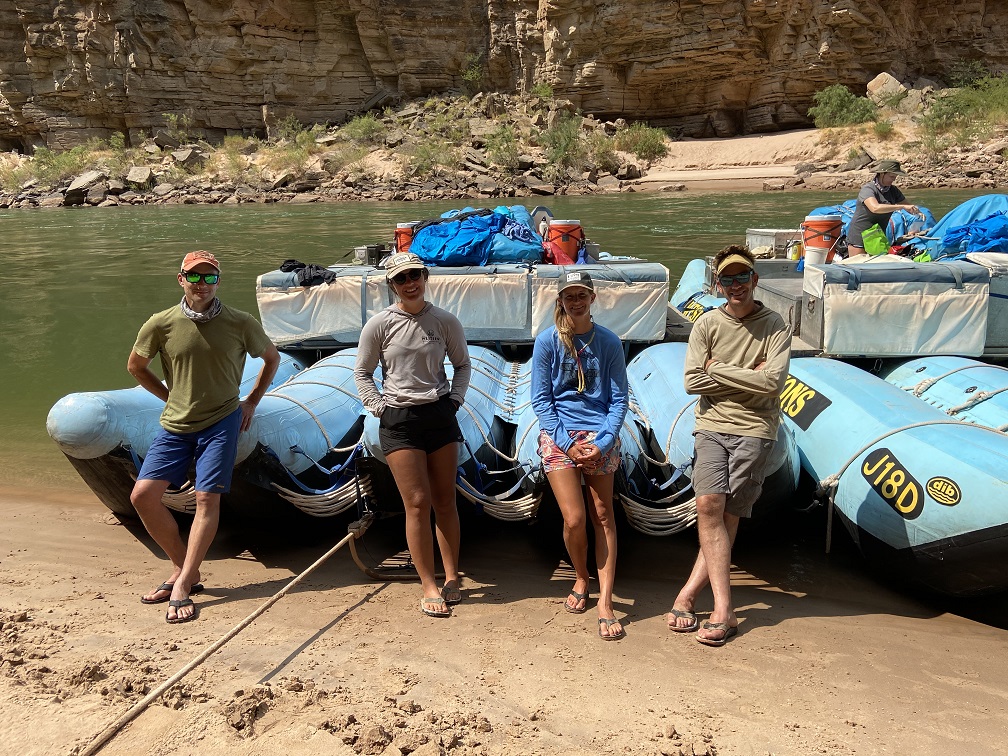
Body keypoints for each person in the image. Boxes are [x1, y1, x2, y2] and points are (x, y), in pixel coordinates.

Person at [129, 251, 280, 623]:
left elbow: (271, 358)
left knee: (205, 499)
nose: (201, 284)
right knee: (143, 496)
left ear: (218, 281)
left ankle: (180, 586)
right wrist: (169, 397)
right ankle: (188, 571)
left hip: (221, 420)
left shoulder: (240, 322)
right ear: (180, 279)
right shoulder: (160, 323)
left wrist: (251, 402)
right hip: (175, 423)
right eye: (194, 277)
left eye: (209, 278)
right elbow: (136, 366)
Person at [666, 245, 790, 646]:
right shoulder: (706, 325)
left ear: (755, 280)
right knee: (708, 506)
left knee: (729, 514)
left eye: (743, 277)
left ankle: (689, 594)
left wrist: (717, 369)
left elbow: (773, 384)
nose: (736, 285)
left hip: (755, 428)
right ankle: (725, 608)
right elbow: (690, 382)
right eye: (728, 279)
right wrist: (745, 374)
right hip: (712, 425)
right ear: (719, 285)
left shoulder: (775, 325)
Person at [353, 252, 472, 618]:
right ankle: (428, 584)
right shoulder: (379, 325)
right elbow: (362, 372)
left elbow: (462, 364)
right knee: (417, 503)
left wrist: (454, 401)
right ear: (392, 285)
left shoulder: (444, 321)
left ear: (424, 277)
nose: (410, 283)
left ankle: (452, 577)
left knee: (444, 500)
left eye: (415, 276)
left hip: (438, 414)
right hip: (399, 419)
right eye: (402, 279)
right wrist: (380, 407)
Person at [531, 271, 629, 641]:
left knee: (602, 514)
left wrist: (602, 442)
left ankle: (605, 601)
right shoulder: (547, 342)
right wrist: (567, 443)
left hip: (599, 433)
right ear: (561, 300)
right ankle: (581, 575)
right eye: (569, 296)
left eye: (582, 295)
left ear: (592, 298)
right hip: (561, 436)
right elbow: (542, 399)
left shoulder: (608, 342)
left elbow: (619, 399)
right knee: (574, 518)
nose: (576, 301)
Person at [846, 160, 921, 255]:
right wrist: (899, 206)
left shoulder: (893, 191)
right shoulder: (868, 189)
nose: (894, 179)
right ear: (882, 174)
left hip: (878, 238)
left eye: (895, 177)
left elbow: (911, 208)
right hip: (859, 238)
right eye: (891, 176)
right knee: (858, 267)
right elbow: (875, 208)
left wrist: (916, 223)